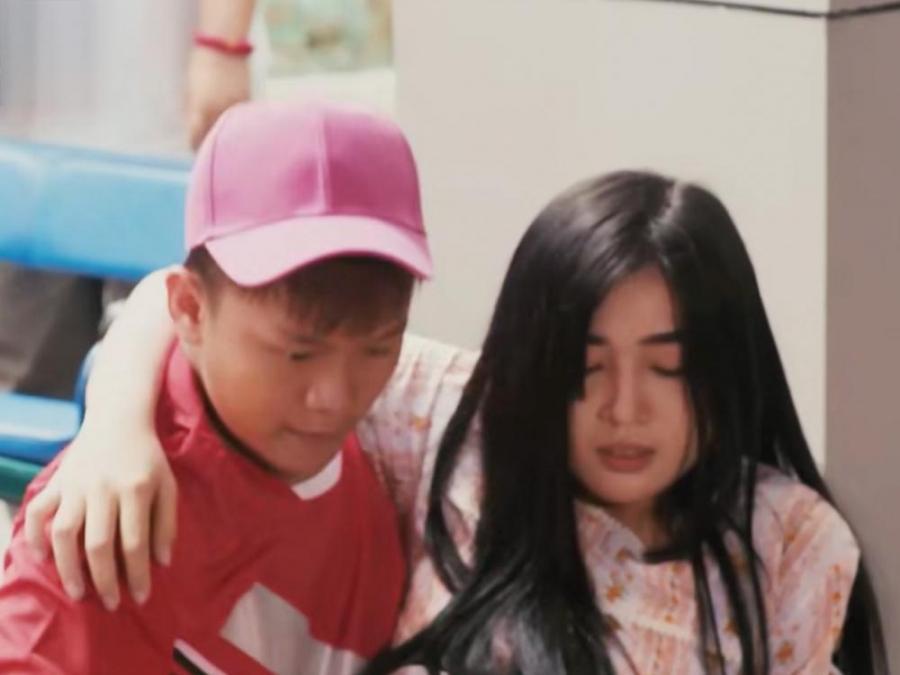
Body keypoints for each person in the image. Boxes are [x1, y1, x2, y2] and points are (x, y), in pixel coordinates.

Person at [24, 172, 886, 672]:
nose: (626, 408)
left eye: (669, 367)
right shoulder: (458, 422)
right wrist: (115, 425)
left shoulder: (787, 541)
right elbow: (185, 300)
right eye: (585, 366)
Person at [0, 100, 432, 673]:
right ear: (190, 309)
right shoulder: (99, 525)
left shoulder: (403, 431)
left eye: (378, 347)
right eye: (297, 354)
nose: (335, 397)